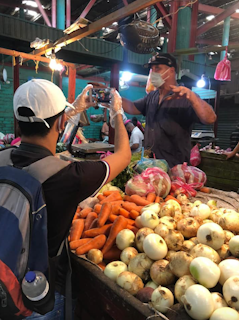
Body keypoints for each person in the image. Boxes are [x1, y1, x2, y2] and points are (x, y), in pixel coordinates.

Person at [1, 79, 131, 319]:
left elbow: (49, 147)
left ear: (17, 123)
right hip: (39, 297)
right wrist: (117, 114)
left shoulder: (3, 158)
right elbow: (123, 156)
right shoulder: (70, 178)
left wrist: (73, 110)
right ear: (61, 122)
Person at [121, 53, 217, 168]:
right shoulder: (152, 96)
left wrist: (192, 97)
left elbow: (210, 118)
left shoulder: (184, 97)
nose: (153, 73)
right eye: (152, 69)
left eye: (158, 68)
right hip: (149, 166)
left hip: (174, 169)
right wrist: (112, 95)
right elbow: (132, 107)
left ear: (171, 71)